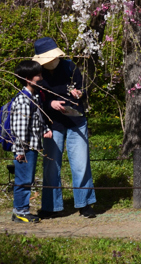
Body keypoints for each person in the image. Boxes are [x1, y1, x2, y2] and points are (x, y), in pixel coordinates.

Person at [33, 36, 97, 218]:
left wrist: (79, 93)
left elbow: (83, 90)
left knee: (80, 163)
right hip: (52, 123)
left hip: (75, 120)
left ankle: (85, 203)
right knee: (51, 164)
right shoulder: (37, 73)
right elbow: (36, 100)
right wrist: (50, 104)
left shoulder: (70, 67)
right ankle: (50, 206)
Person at [10, 59, 52, 224]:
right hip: (25, 149)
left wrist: (44, 131)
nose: (41, 78)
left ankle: (21, 210)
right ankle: (20, 211)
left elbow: (36, 120)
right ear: (28, 79)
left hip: (32, 146)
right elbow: (19, 128)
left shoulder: (34, 97)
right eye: (38, 75)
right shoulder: (23, 100)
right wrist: (20, 150)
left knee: (27, 179)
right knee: (23, 180)